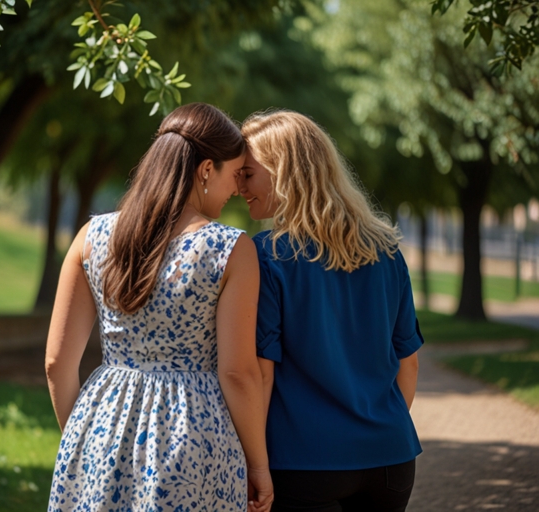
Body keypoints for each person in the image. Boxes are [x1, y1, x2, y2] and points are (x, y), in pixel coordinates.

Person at [45, 102, 274, 511]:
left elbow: (56, 363)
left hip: (102, 428)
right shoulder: (229, 248)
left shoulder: (90, 237)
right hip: (194, 439)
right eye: (235, 174)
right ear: (206, 170)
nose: (238, 189)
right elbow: (238, 372)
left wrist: (82, 435)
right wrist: (259, 466)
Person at [238, 110, 423, 512]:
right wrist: (371, 435)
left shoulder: (265, 256)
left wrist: (256, 465)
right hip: (390, 457)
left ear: (280, 172)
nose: (239, 186)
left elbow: (260, 374)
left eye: (248, 173)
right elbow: (408, 363)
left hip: (302, 464)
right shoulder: (387, 250)